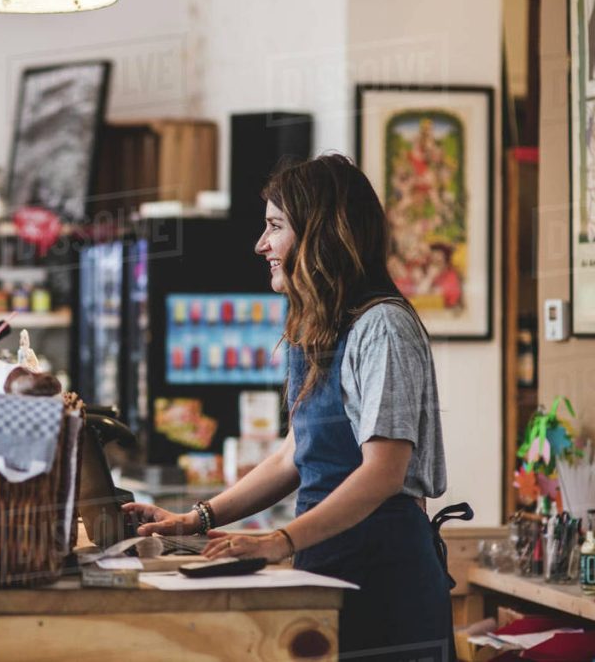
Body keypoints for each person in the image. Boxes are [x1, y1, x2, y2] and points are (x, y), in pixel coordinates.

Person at [123, 154, 455, 659]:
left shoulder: (383, 326)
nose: (261, 245)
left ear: (322, 232)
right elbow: (292, 456)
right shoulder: (315, 331)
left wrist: (279, 540)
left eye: (275, 227)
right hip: (327, 565)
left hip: (387, 577)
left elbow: (384, 471)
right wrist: (196, 520)